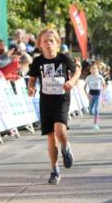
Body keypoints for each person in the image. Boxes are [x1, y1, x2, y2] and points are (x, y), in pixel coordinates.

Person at [27, 28, 81, 184]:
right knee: (51, 137)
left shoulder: (64, 58)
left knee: (60, 129)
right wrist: (30, 87)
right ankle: (54, 170)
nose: (48, 44)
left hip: (62, 99)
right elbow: (32, 78)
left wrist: (71, 81)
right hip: (46, 101)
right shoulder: (38, 61)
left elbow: (76, 71)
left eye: (51, 41)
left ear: (57, 43)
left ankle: (65, 147)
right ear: (39, 44)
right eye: (45, 41)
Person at [86, 62, 105, 131]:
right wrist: (87, 95)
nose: (93, 70)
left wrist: (103, 95)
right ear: (90, 70)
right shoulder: (88, 77)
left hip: (98, 94)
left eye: (94, 69)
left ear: (97, 69)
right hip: (91, 95)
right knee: (90, 111)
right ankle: (95, 115)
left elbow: (104, 86)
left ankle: (95, 125)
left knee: (96, 109)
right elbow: (84, 87)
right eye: (91, 69)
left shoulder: (100, 77)